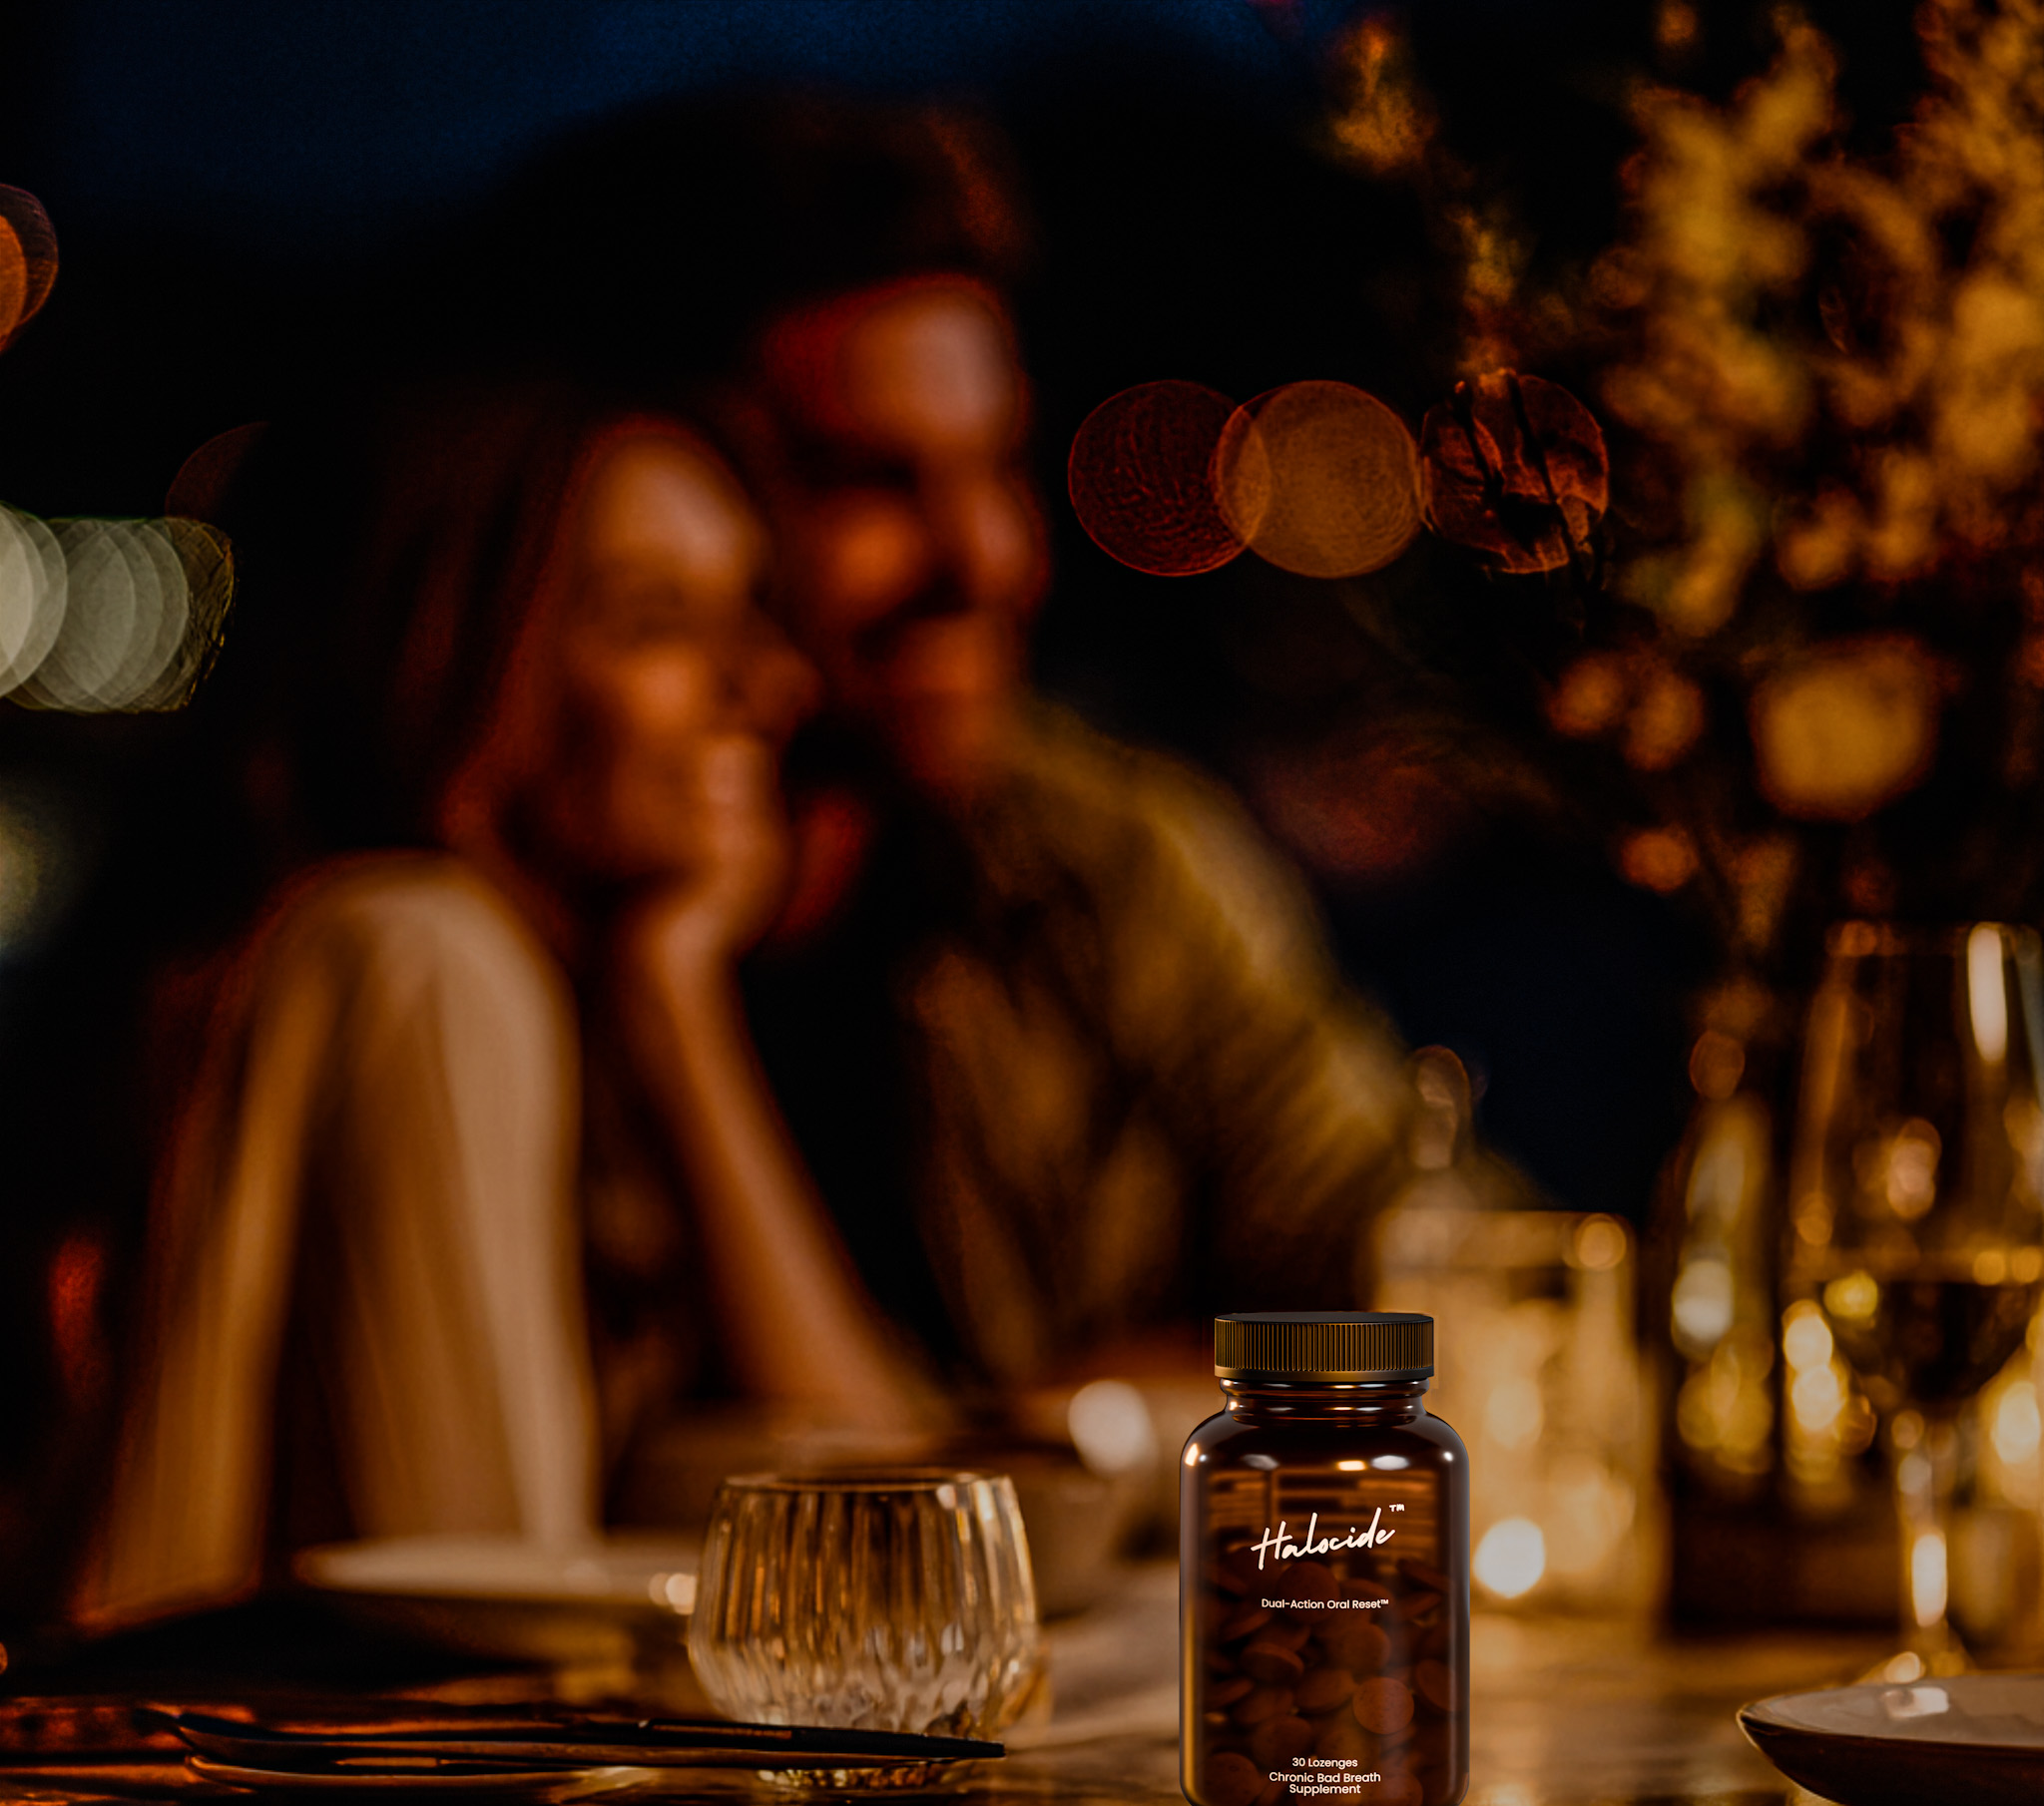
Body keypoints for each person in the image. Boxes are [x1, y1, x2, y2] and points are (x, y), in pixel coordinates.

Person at [480, 100, 1419, 1400]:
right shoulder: (491, 942)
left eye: (1000, 464)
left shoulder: (1104, 860)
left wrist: (1083, 1426)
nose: (985, 556)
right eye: (870, 480)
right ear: (659, 487)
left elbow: (1430, 1281)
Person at [73, 382, 925, 1628]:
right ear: (467, 658)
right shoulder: (418, 958)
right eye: (658, 624)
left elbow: (901, 1504)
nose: (768, 681)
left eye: (752, 612)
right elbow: (489, 1629)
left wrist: (673, 998)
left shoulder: (573, 989)